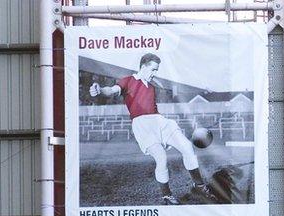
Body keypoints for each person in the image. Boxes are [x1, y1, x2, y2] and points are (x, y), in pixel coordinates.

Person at [88, 53, 214, 205]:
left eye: (156, 70)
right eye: (153, 70)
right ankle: (166, 195)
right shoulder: (128, 80)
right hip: (142, 125)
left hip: (160, 121)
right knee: (161, 158)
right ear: (143, 66)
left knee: (187, 147)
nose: (155, 73)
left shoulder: (152, 86)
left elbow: (178, 88)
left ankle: (199, 186)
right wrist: (100, 89)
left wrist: (201, 89)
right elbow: (111, 90)